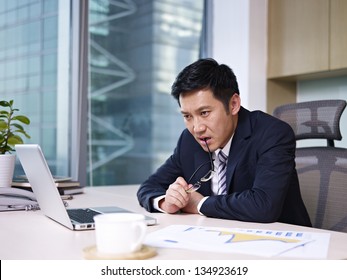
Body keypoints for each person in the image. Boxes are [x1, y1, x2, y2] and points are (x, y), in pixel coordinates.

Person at [137, 58, 312, 227]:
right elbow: (149, 187)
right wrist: (165, 202)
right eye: (187, 116)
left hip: (282, 243)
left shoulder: (272, 133)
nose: (197, 128)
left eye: (204, 113)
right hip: (215, 238)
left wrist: (200, 204)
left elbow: (264, 205)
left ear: (234, 104)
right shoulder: (189, 140)